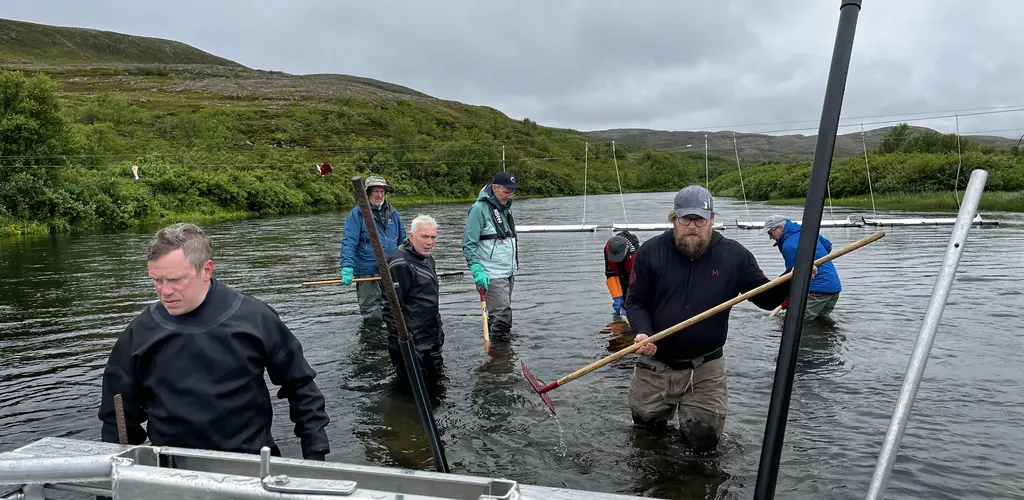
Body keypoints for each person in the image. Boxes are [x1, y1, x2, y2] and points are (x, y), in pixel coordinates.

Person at [97, 223, 330, 461]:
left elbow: (300, 387)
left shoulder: (254, 318)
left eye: (175, 280)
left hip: (250, 466)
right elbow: (117, 416)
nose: (164, 291)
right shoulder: (139, 333)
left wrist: (315, 455)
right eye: (157, 280)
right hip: (173, 471)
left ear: (206, 270)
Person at [624, 185, 816, 454]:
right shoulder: (651, 252)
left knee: (704, 447)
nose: (693, 226)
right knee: (646, 440)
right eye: (685, 219)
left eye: (699, 219)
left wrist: (791, 280)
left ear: (711, 219)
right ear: (674, 219)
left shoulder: (734, 256)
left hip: (706, 369)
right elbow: (635, 302)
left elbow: (766, 299)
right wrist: (643, 332)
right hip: (654, 366)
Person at [381, 214, 446, 382]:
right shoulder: (400, 263)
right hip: (411, 339)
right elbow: (390, 308)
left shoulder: (427, 258)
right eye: (424, 236)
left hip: (431, 333)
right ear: (411, 236)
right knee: (410, 389)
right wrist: (404, 341)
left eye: (433, 237)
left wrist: (438, 330)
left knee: (437, 382)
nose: (430, 242)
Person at [340, 175, 407, 323]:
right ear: (368, 193)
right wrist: (347, 267)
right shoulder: (357, 214)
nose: (379, 195)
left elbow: (404, 241)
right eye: (376, 191)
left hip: (391, 270)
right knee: (372, 313)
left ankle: (392, 342)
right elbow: (349, 242)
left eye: (382, 191)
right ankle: (373, 343)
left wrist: (410, 263)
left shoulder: (393, 213)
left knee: (395, 310)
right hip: (367, 272)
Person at [462, 171, 518, 337]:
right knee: (502, 318)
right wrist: (476, 269)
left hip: (508, 272)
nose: (509, 196)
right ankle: (502, 359)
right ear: (494, 188)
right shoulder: (479, 209)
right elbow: (468, 243)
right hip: (491, 274)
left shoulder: (504, 209)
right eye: (506, 192)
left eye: (511, 192)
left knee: (498, 316)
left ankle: (495, 354)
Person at [761, 214, 842, 320]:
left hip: (816, 291)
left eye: (770, 232)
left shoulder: (788, 246)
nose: (770, 237)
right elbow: (828, 246)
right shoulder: (807, 232)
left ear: (780, 228)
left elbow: (795, 276)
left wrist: (788, 299)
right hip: (834, 288)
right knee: (819, 324)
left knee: (796, 324)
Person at [604, 230, 640, 316]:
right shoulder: (608, 248)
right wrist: (616, 296)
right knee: (620, 305)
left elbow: (636, 282)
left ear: (626, 250)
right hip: (620, 274)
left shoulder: (636, 256)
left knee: (630, 304)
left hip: (631, 277)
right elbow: (610, 273)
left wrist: (629, 300)